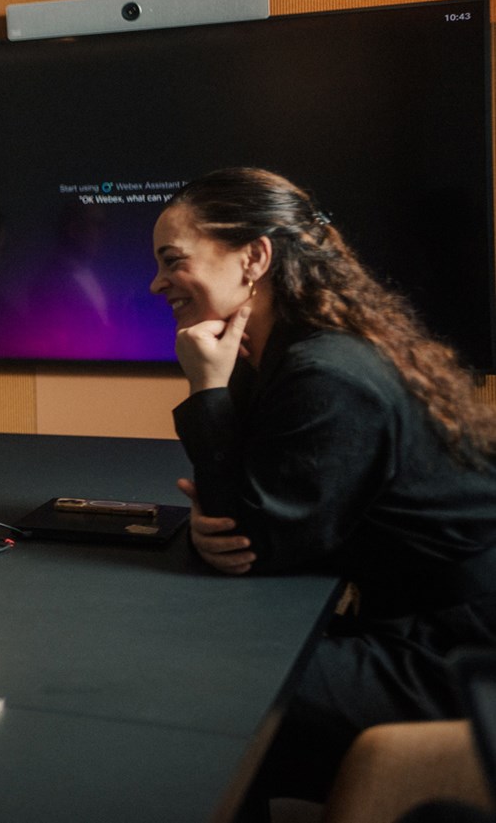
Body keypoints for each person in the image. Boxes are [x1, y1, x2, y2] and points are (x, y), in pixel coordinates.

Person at [148, 167, 496, 802]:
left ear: (255, 257)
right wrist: (220, 523)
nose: (156, 282)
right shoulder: (285, 349)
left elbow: (249, 548)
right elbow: (244, 509)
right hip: (413, 618)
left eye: (174, 261)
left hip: (458, 652)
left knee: (200, 688)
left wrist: (207, 392)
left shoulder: (327, 373)